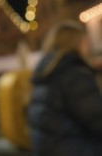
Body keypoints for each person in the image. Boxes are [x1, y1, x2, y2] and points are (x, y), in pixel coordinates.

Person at [27, 20, 102, 156]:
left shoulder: (46, 71)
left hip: (48, 148)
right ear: (77, 43)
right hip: (71, 148)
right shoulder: (74, 74)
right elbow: (96, 118)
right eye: (85, 42)